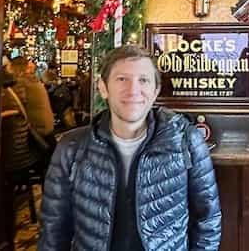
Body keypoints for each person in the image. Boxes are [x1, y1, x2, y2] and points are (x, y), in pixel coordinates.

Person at [39, 45, 221, 251]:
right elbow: (53, 228)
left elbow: (207, 219)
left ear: (155, 91)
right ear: (103, 88)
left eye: (143, 80)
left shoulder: (185, 140)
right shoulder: (72, 147)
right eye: (122, 79)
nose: (133, 90)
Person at [11, 56, 55, 140]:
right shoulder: (32, 79)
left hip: (38, 132)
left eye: (10, 68)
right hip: (47, 128)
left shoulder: (22, 82)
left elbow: (13, 103)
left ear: (15, 68)